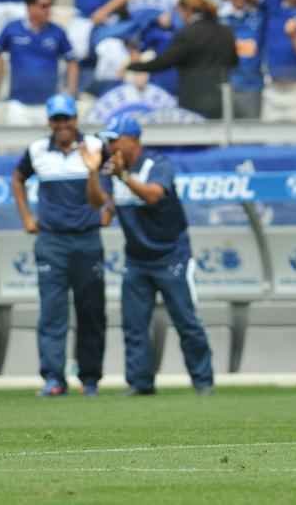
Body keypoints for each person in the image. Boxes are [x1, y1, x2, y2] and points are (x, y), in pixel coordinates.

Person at [80, 115, 215, 395]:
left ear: (133, 141)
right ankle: (140, 383)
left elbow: (153, 195)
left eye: (115, 140)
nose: (110, 146)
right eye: (108, 141)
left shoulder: (157, 164)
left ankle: (203, 382)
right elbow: (100, 210)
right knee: (134, 325)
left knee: (186, 321)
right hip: (137, 259)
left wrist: (124, 177)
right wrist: (92, 173)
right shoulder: (110, 169)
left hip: (172, 256)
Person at [11, 94, 110, 397]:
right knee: (52, 312)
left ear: (76, 119)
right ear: (49, 122)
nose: (62, 124)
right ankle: (54, 378)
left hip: (87, 238)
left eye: (66, 118)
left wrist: (94, 179)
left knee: (91, 311)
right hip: (52, 240)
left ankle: (89, 379)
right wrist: (27, 217)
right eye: (57, 119)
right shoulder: (37, 150)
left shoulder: (95, 146)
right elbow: (17, 179)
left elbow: (106, 192)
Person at [126, 0, 239, 119]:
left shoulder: (188, 33)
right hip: (222, 100)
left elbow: (165, 62)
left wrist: (135, 66)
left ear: (186, 11)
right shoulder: (225, 31)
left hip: (195, 100)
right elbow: (233, 61)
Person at [0, 0, 79, 126]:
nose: (48, 10)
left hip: (48, 104)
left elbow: (72, 62)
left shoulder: (58, 32)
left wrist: (71, 92)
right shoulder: (12, 29)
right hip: (18, 105)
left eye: (50, 6)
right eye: (43, 6)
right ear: (29, 7)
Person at [218, 0, 265, 119]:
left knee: (252, 130)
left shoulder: (259, 15)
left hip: (252, 86)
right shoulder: (216, 17)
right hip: (224, 86)